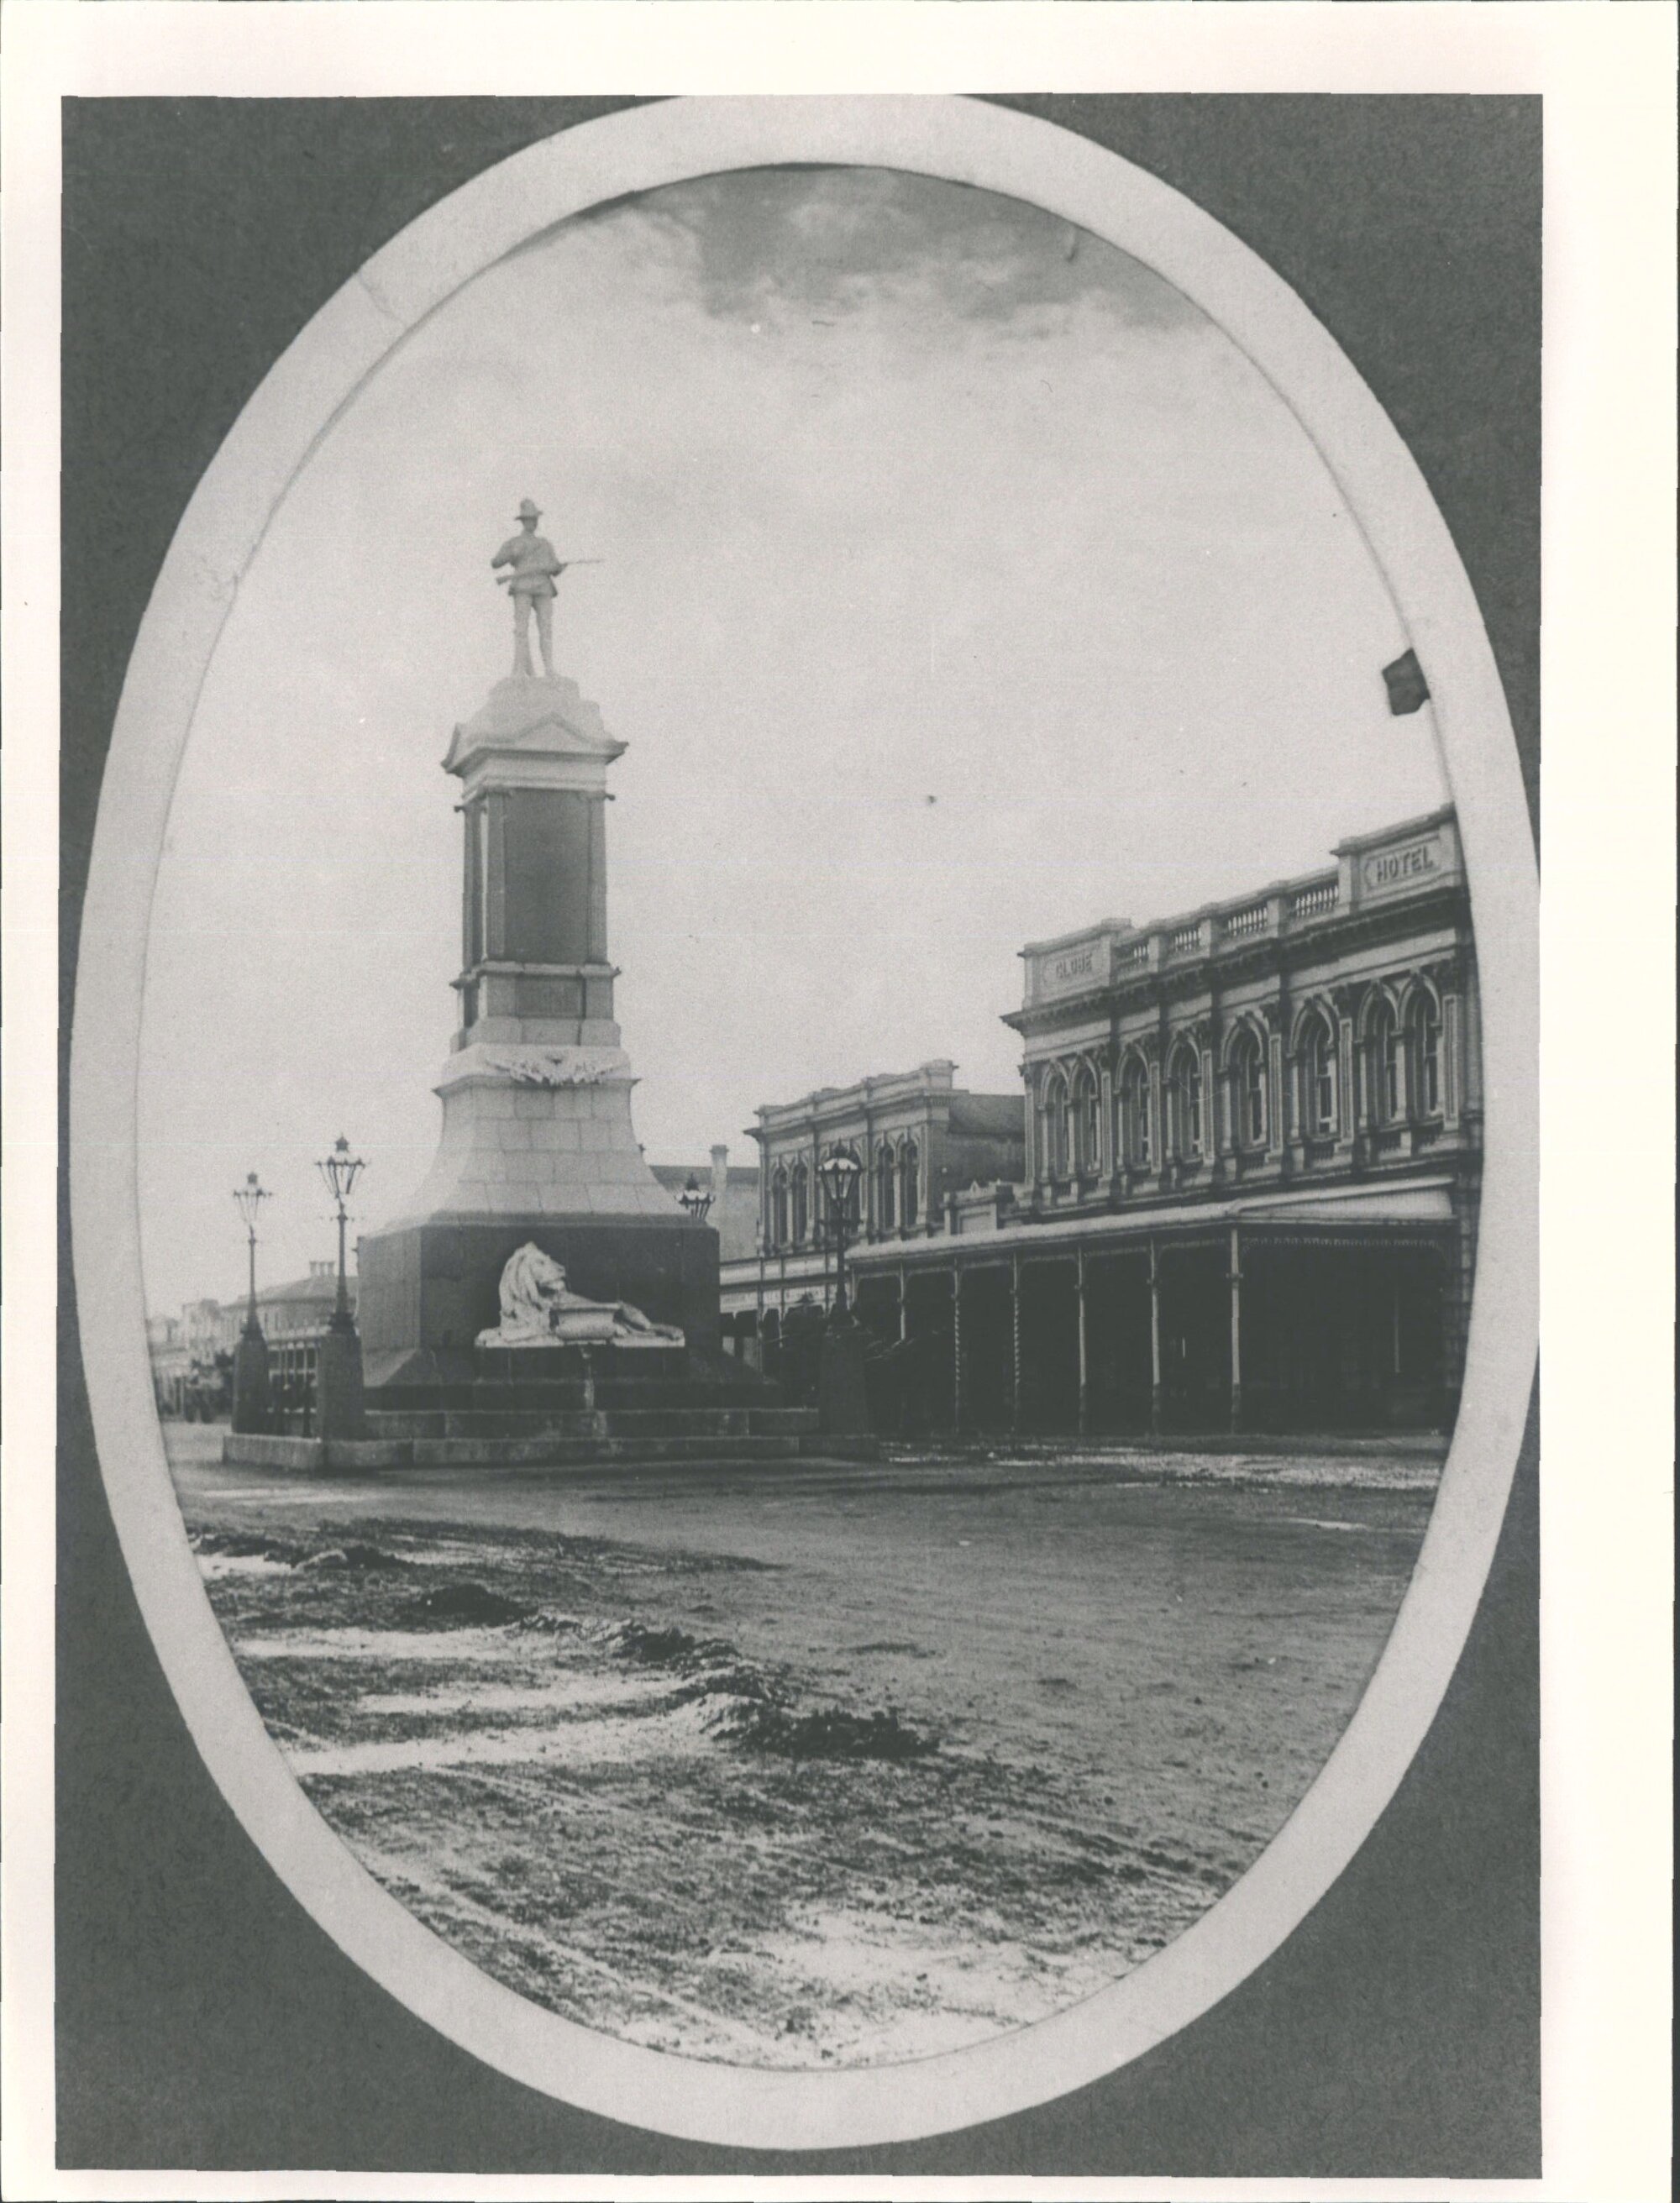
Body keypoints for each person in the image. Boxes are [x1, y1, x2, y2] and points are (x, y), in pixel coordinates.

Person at [491, 498, 564, 678]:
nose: (533, 522)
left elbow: (554, 567)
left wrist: (557, 567)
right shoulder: (514, 542)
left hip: (543, 587)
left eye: (534, 519)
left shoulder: (545, 544)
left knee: (546, 628)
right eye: (529, 519)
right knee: (521, 628)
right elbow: (495, 562)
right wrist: (512, 553)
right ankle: (519, 669)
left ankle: (549, 668)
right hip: (522, 586)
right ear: (523, 521)